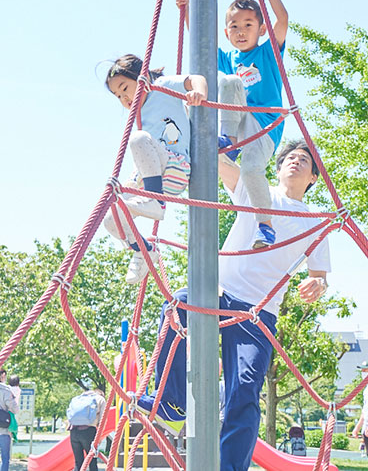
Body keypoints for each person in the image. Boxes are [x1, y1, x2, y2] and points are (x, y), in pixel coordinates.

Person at [138, 140, 331, 471]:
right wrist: (210, 126)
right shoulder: (258, 191)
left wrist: (318, 284)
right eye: (290, 158)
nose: (295, 162)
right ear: (279, 167)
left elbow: (320, 273)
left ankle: (230, 468)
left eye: (304, 160)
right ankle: (171, 402)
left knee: (243, 390)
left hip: (258, 311)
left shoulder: (315, 220)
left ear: (313, 177)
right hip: (219, 291)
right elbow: (218, 164)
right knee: (178, 305)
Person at [176, 0, 290, 249]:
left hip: (265, 126)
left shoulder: (268, 52)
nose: (241, 31)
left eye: (248, 25)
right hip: (237, 123)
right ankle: (230, 140)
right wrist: (187, 11)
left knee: (252, 171)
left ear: (261, 29)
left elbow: (283, 18)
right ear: (227, 33)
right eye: (235, 27)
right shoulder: (228, 58)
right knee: (228, 81)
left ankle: (265, 227)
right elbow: (202, 45)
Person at [102, 54, 207, 284]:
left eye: (125, 88)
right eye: (118, 96)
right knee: (110, 218)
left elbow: (195, 78)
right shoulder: (136, 115)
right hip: (151, 177)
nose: (124, 97)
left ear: (142, 77)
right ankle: (144, 249)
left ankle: (155, 201)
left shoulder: (162, 87)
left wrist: (198, 92)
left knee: (138, 139)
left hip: (175, 168)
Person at [67, 388, 105, 471]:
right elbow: (102, 421)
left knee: (78, 462)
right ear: (101, 394)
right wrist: (99, 438)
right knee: (92, 460)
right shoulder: (100, 399)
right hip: (89, 431)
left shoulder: (78, 399)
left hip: (74, 431)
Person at [7, 376, 21, 443]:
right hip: (14, 410)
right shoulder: (18, 390)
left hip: (6, 409)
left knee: (8, 426)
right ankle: (13, 436)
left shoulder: (7, 388)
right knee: (12, 426)